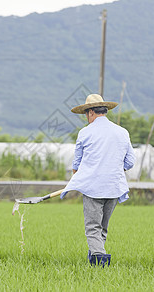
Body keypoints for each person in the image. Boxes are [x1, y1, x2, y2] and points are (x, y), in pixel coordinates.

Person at [60, 94, 135, 267]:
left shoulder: (85, 133)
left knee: (93, 227)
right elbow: (130, 161)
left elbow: (76, 164)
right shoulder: (122, 132)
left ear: (91, 112)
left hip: (93, 187)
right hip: (114, 187)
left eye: (86, 114)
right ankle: (94, 261)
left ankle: (101, 262)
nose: (87, 118)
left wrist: (79, 179)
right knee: (102, 227)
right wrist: (113, 168)